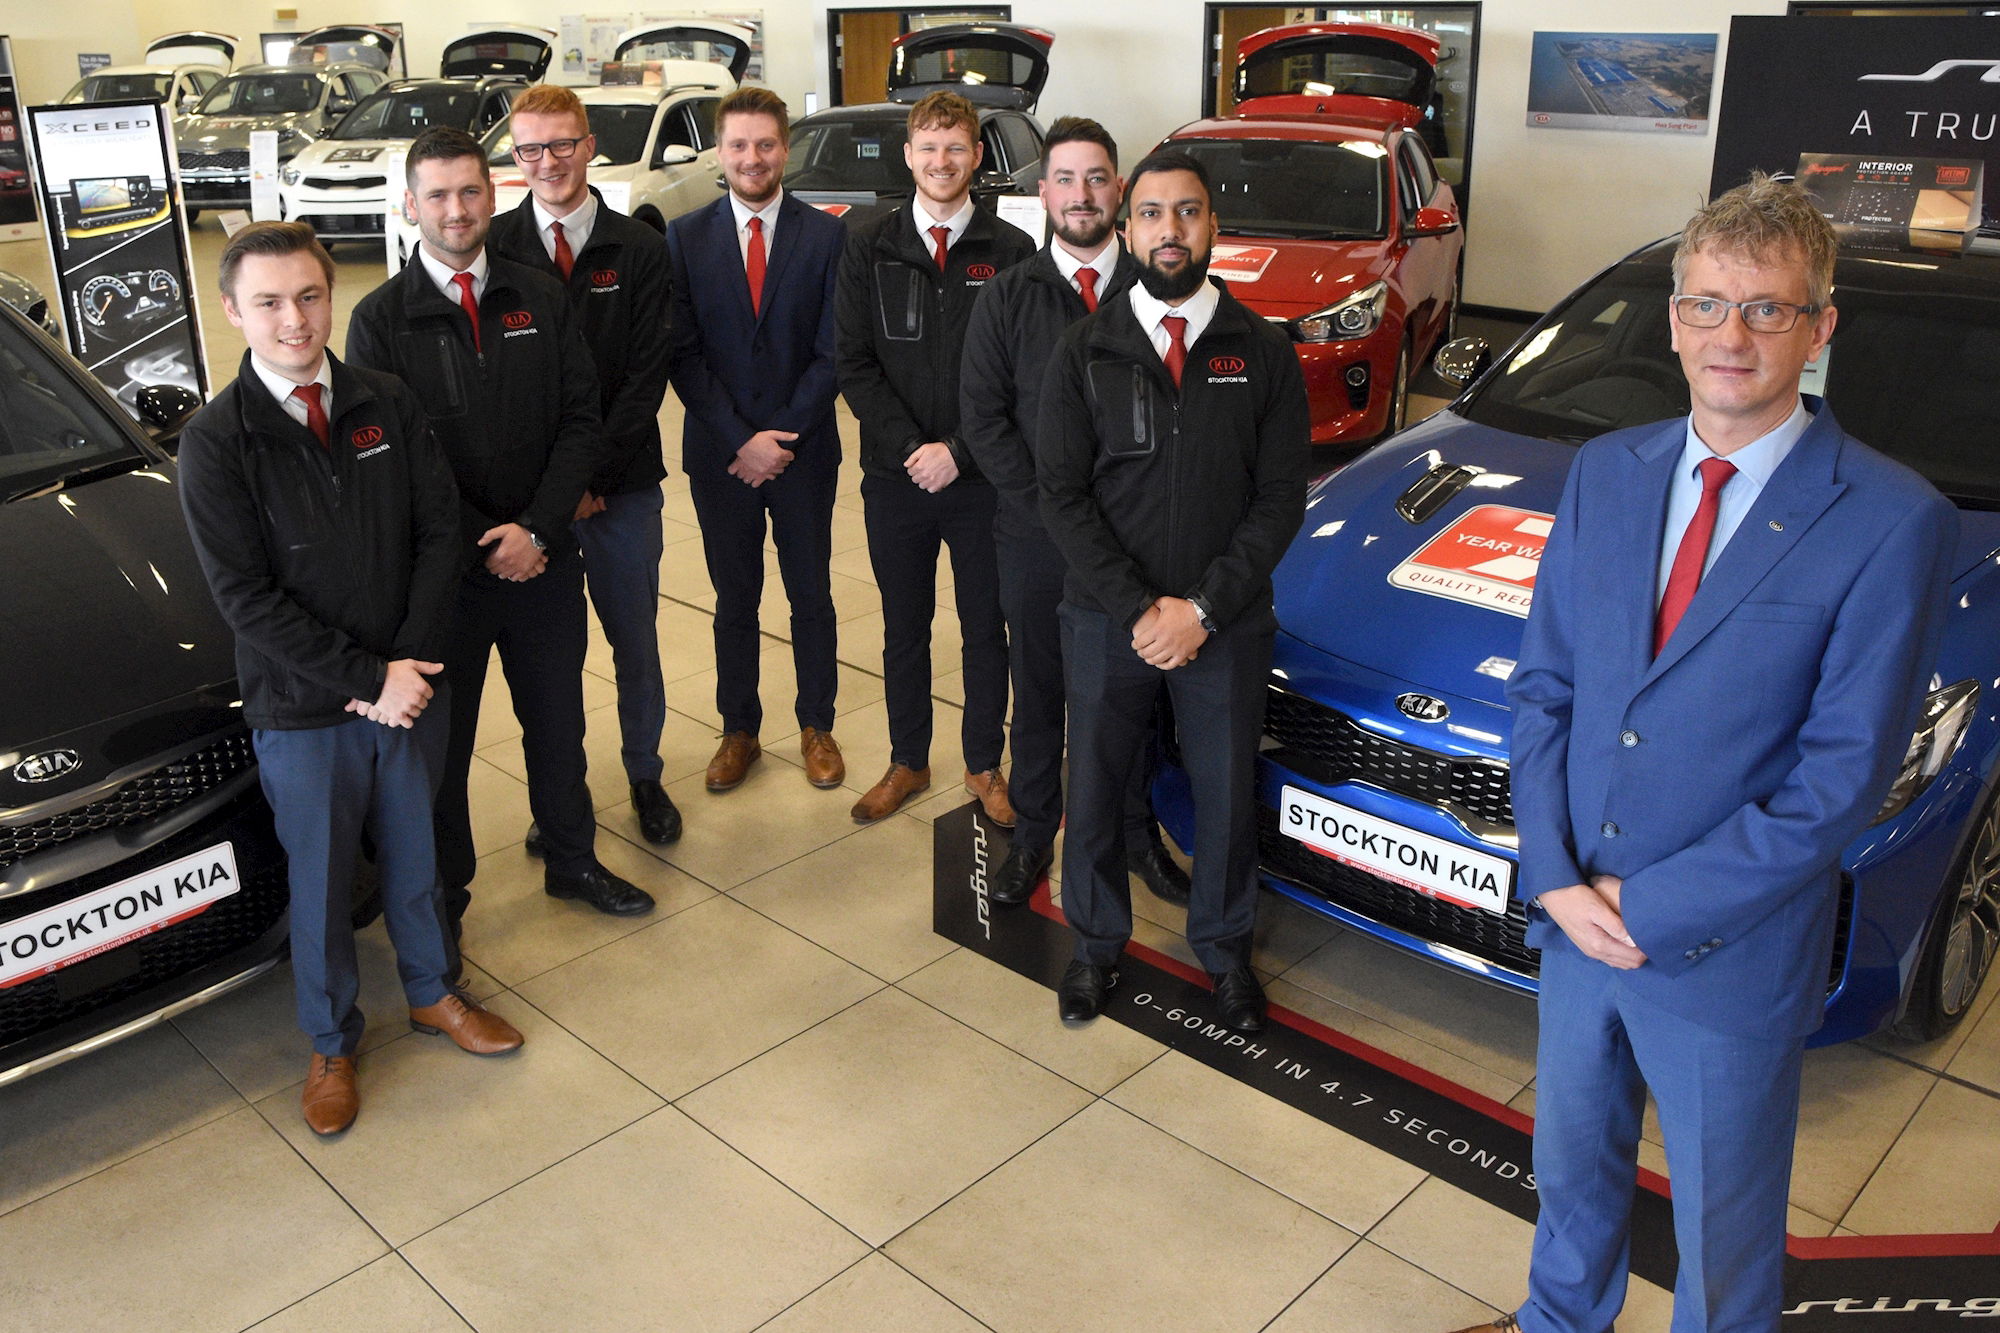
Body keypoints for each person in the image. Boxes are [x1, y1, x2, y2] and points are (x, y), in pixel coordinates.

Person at [1462, 175, 1957, 1333]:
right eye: (1705, 304)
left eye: (1765, 308)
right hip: (1573, 920)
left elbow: (1838, 780)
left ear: (1817, 328)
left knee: (1722, 1232)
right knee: (1568, 1169)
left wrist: (1645, 905)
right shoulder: (1606, 472)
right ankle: (1556, 1322)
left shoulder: (1891, 519)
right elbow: (1544, 688)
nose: (1730, 335)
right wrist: (1553, 877)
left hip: (1724, 948)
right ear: (1673, 319)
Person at [176, 221, 523, 1138]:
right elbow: (245, 599)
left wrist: (407, 665)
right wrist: (368, 677)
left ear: (331, 296)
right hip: (306, 709)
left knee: (418, 857)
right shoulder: (215, 442)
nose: (294, 319)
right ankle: (331, 1041)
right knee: (324, 883)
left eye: (309, 296)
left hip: (408, 689)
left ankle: (433, 992)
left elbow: (438, 531)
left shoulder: (386, 402)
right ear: (232, 311)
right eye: (269, 302)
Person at [349, 127, 654, 970]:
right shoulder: (379, 322)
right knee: (442, 757)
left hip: (543, 561)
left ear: (493, 196)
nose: (456, 209)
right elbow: (397, 463)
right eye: (438, 195)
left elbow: (579, 420)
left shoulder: (538, 296)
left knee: (558, 723)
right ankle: (446, 902)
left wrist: (539, 530)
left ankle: (572, 858)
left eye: (470, 191)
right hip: (443, 584)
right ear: (410, 206)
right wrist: (487, 541)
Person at [1037, 151, 1308, 1033]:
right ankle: (1093, 945)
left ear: (1213, 227)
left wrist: (1202, 609)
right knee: (1095, 784)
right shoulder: (1086, 349)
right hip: (1106, 618)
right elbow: (1062, 495)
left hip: (1223, 623)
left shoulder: (1262, 350)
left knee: (1226, 793)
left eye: (1187, 212)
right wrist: (1139, 609)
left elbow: (1280, 498)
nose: (1170, 230)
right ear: (1127, 228)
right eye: (1151, 214)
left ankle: (1225, 952)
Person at [959, 116, 1190, 909]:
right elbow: (984, 418)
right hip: (1035, 539)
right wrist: (1057, 515)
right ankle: (1033, 833)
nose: (1081, 194)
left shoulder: (1158, 291)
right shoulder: (1008, 296)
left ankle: (1135, 833)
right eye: (1065, 179)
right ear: (1043, 191)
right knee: (1040, 690)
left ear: (1119, 190)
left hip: (1135, 548)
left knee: (1134, 698)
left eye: (1096, 178)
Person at [487, 83, 681, 849]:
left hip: (620, 491)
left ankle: (645, 774)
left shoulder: (640, 248)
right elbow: (496, 388)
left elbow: (645, 377)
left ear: (589, 146)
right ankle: (560, 799)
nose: (549, 161)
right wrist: (553, 495)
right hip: (536, 504)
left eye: (563, 143)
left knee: (636, 644)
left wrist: (590, 481)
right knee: (550, 665)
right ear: (516, 156)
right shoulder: (494, 248)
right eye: (531, 148)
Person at [835, 90, 1034, 825]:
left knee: (985, 627)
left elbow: (1021, 374)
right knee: (903, 626)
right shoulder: (868, 244)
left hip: (983, 482)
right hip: (896, 478)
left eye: (955, 148)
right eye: (928, 147)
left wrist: (958, 450)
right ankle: (908, 761)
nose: (941, 161)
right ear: (908, 155)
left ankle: (984, 764)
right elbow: (854, 362)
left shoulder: (1011, 251)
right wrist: (913, 449)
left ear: (976, 157)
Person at [666, 86, 848, 792]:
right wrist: (742, 441)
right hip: (722, 458)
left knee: (811, 596)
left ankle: (817, 724)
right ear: (719, 151)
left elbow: (833, 351)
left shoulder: (826, 236)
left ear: (785, 150)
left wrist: (781, 438)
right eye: (739, 144)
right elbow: (683, 355)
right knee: (734, 600)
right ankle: (738, 729)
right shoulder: (685, 238)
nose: (753, 157)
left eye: (766, 144)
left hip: (804, 454)